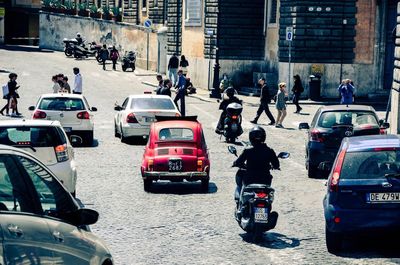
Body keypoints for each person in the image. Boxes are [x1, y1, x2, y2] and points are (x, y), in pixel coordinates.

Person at [233, 126, 280, 213]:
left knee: (242, 188)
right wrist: (273, 166)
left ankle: (242, 206)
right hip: (265, 180)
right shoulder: (269, 151)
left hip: (250, 179)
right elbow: (276, 164)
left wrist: (236, 164)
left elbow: (239, 162)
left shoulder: (248, 151)